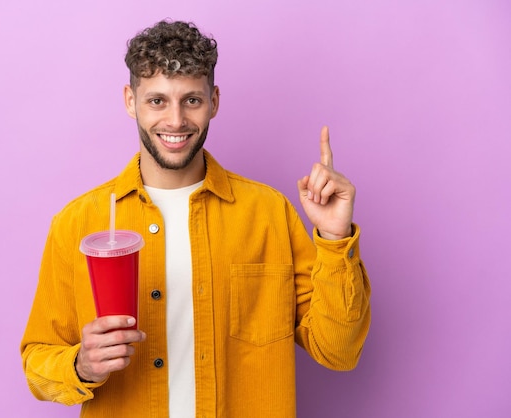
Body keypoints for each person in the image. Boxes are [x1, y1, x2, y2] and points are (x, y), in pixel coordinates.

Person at [20, 19, 371, 417]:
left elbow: (339, 352)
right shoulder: (78, 222)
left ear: (214, 101)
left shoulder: (269, 213)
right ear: (130, 101)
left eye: (192, 100)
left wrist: (334, 235)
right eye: (157, 101)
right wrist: (81, 365)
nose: (175, 121)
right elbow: (38, 361)